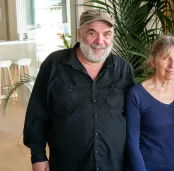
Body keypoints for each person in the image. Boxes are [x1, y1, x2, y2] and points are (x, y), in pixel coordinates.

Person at [23, 9, 135, 171]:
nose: (100, 40)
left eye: (107, 34)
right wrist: (38, 156)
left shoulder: (123, 68)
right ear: (80, 33)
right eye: (92, 33)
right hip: (67, 164)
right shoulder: (54, 65)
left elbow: (133, 117)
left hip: (114, 164)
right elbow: (36, 113)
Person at [126, 35, 174, 171]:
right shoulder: (137, 94)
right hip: (148, 167)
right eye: (166, 58)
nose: (172, 64)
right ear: (153, 61)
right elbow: (132, 141)